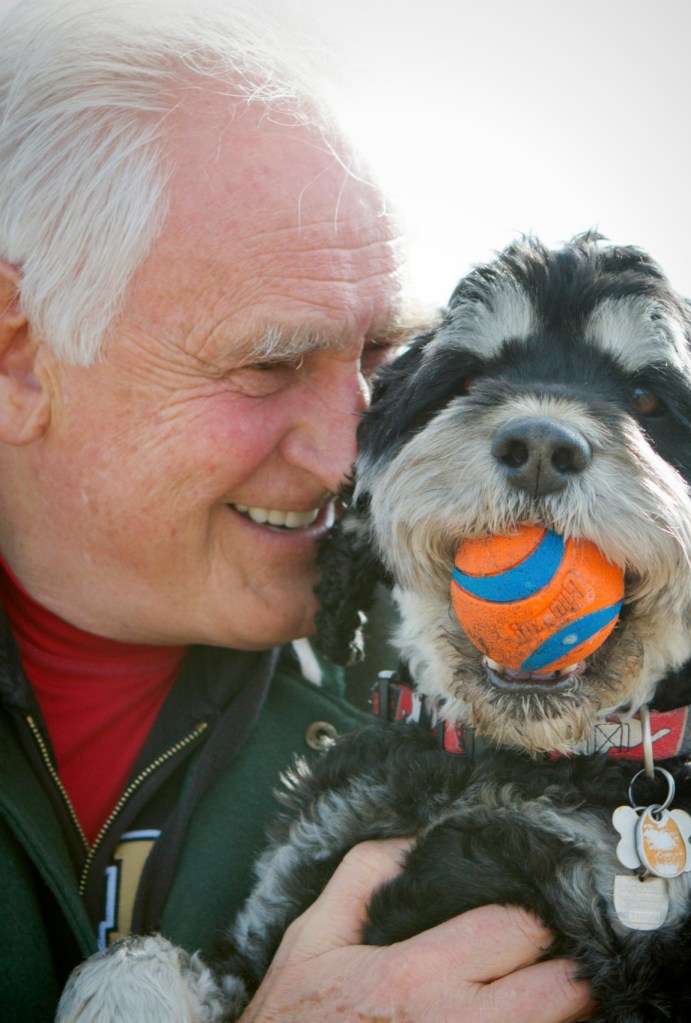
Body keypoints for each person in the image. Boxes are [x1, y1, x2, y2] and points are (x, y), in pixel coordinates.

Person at [0, 2, 595, 1020]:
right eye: (270, 365)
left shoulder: (520, 696)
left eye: (377, 359)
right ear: (20, 357)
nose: (354, 455)